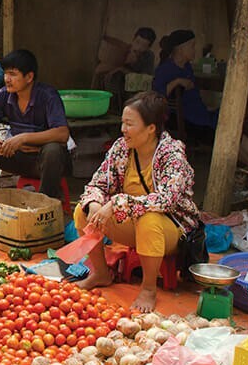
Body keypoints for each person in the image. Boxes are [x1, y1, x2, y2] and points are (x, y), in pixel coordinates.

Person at [75, 91, 202, 312]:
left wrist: (116, 203)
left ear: (151, 128)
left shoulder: (172, 155)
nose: (123, 129)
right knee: (82, 211)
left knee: (149, 219)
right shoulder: (121, 148)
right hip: (132, 224)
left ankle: (148, 289)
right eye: (123, 123)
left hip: (170, 230)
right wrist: (95, 203)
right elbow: (97, 184)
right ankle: (101, 273)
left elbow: (167, 200)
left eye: (130, 124)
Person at [0, 50, 71, 224]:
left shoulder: (48, 96)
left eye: (13, 74)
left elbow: (62, 133)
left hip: (46, 163)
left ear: (29, 77)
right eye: (5, 74)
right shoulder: (4, 94)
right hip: (18, 158)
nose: (7, 79)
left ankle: (44, 210)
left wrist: (24, 138)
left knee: (53, 150)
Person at [153, 29, 248, 171]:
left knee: (230, 125)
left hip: (200, 115)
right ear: (180, 49)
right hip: (187, 121)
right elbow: (157, 95)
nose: (194, 50)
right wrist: (177, 81)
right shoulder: (166, 69)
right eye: (192, 46)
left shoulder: (186, 67)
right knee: (224, 135)